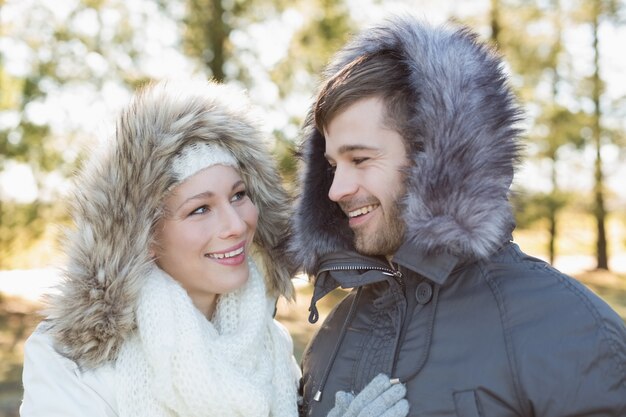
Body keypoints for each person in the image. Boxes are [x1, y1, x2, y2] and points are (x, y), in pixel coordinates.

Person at [291, 15, 626, 417]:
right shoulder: (330, 339)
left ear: (438, 159)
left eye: (360, 159)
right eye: (331, 166)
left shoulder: (569, 329)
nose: (336, 189)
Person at [20, 79, 408, 417]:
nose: (236, 225)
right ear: (144, 236)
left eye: (239, 195)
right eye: (200, 209)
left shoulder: (267, 343)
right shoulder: (72, 361)